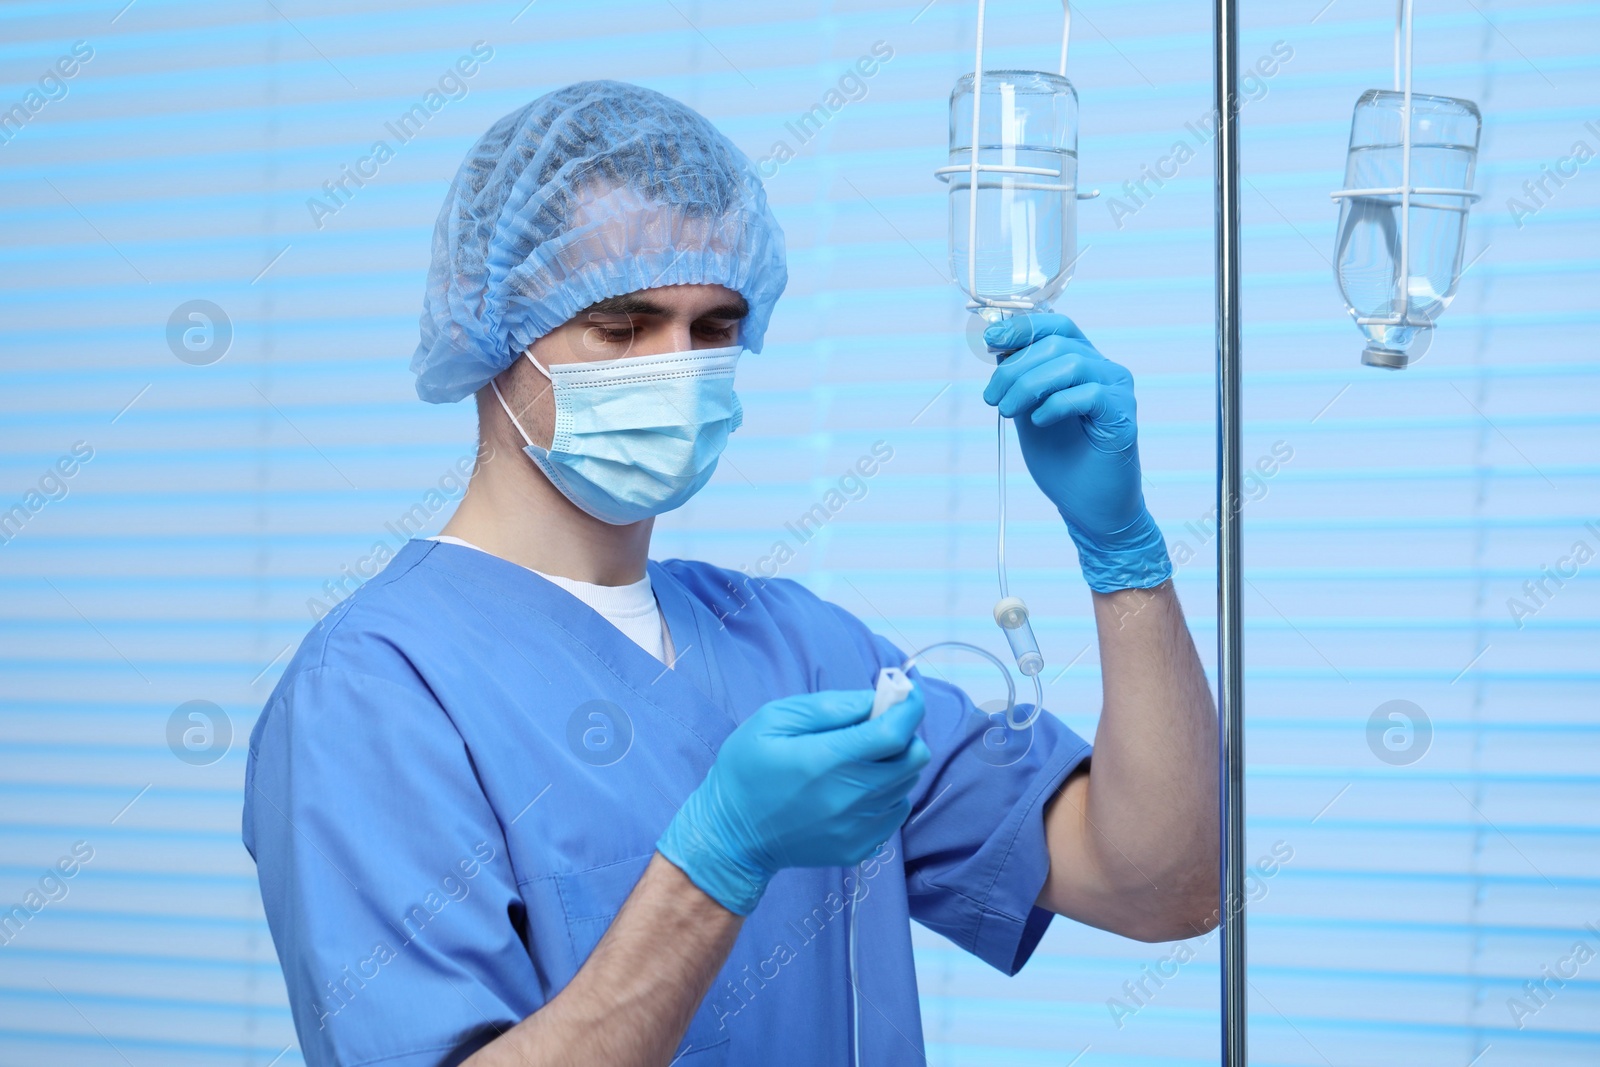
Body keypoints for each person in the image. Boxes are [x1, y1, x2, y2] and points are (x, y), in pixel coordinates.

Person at [242, 80, 1218, 1067]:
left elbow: (1162, 883)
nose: (676, 366)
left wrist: (1121, 552)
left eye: (712, 328)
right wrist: (717, 859)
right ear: (492, 329)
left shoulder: (801, 647)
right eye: (622, 325)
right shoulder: (373, 694)